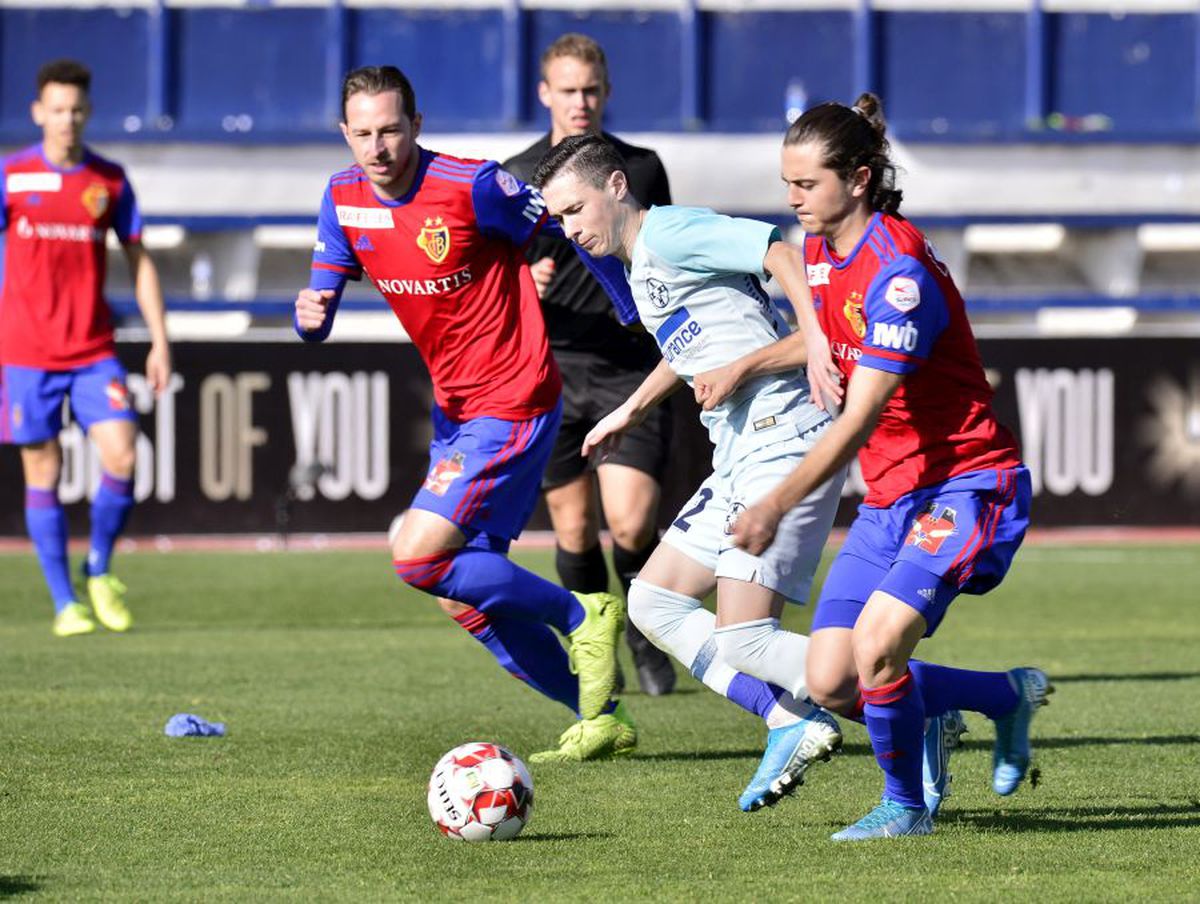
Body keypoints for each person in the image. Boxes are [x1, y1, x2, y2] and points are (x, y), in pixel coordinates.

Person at [709, 94, 1051, 840]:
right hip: (892, 495)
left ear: (858, 180)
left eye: (806, 185)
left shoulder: (899, 273)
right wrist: (756, 363)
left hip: (963, 484)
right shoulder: (821, 253)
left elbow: (861, 411)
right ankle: (1001, 697)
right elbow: (832, 338)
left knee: (876, 648)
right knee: (832, 679)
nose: (791, 199)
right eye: (786, 183)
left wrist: (774, 504)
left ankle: (905, 808)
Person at [294, 65, 633, 763]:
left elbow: (569, 228)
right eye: (362, 133)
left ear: (416, 125)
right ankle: (597, 712)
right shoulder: (342, 197)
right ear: (344, 134)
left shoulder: (472, 185)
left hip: (514, 395)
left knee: (417, 558)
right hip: (456, 408)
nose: (378, 147)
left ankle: (583, 611)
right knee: (464, 595)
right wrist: (312, 315)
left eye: (391, 130)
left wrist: (630, 307)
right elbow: (320, 303)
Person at [533, 134, 845, 812]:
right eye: (557, 219)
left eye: (573, 210)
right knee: (652, 602)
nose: (569, 230)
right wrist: (630, 409)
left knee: (744, 637)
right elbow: (691, 348)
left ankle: (924, 698)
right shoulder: (640, 264)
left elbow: (779, 252)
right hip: (737, 452)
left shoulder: (670, 230)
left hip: (782, 437)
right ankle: (789, 718)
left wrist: (816, 335)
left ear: (617, 187)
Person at [502, 34, 676, 696]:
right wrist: (526, 282)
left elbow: (659, 254)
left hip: (630, 367)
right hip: (548, 373)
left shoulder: (640, 166)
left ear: (606, 91)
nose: (581, 101)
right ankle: (597, 645)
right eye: (568, 89)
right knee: (574, 528)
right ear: (545, 93)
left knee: (631, 523)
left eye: (591, 89)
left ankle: (644, 626)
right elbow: (492, 273)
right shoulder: (515, 175)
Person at [0, 59, 170, 637]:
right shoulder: (13, 175)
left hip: (93, 350)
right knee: (42, 470)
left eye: (76, 109)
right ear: (38, 113)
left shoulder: (109, 180)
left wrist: (159, 340)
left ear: (87, 112)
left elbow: (140, 260)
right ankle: (63, 602)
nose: (67, 119)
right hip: (25, 353)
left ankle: (98, 566)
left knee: (123, 452)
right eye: (56, 109)